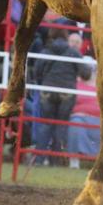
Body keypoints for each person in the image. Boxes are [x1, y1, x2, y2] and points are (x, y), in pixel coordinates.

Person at [33, 30, 90, 165]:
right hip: (66, 92)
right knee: (61, 126)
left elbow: (36, 72)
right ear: (66, 38)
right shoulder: (73, 53)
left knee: (46, 125)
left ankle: (39, 159)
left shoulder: (46, 52)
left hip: (48, 90)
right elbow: (86, 74)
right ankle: (55, 161)